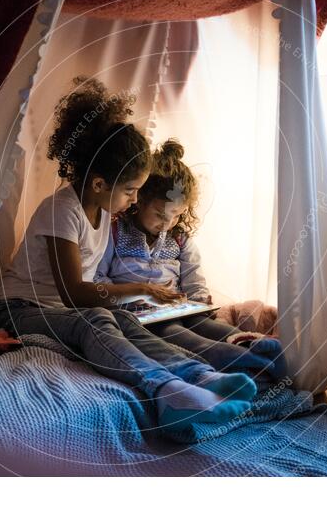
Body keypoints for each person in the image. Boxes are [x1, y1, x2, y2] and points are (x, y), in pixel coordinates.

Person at [0, 77, 256, 431]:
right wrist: (140, 290)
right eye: (131, 191)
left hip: (60, 309)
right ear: (100, 184)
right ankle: (164, 390)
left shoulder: (102, 213)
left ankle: (198, 375)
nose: (133, 201)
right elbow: (73, 292)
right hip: (22, 310)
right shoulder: (62, 211)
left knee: (125, 321)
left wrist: (134, 302)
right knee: (96, 319)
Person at [94, 139, 286, 382]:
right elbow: (98, 278)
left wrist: (197, 304)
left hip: (177, 308)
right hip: (139, 316)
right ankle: (250, 363)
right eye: (160, 214)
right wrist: (128, 298)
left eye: (176, 215)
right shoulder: (115, 232)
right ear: (139, 200)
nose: (167, 223)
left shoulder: (179, 239)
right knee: (179, 334)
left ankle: (253, 342)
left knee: (206, 326)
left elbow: (194, 279)